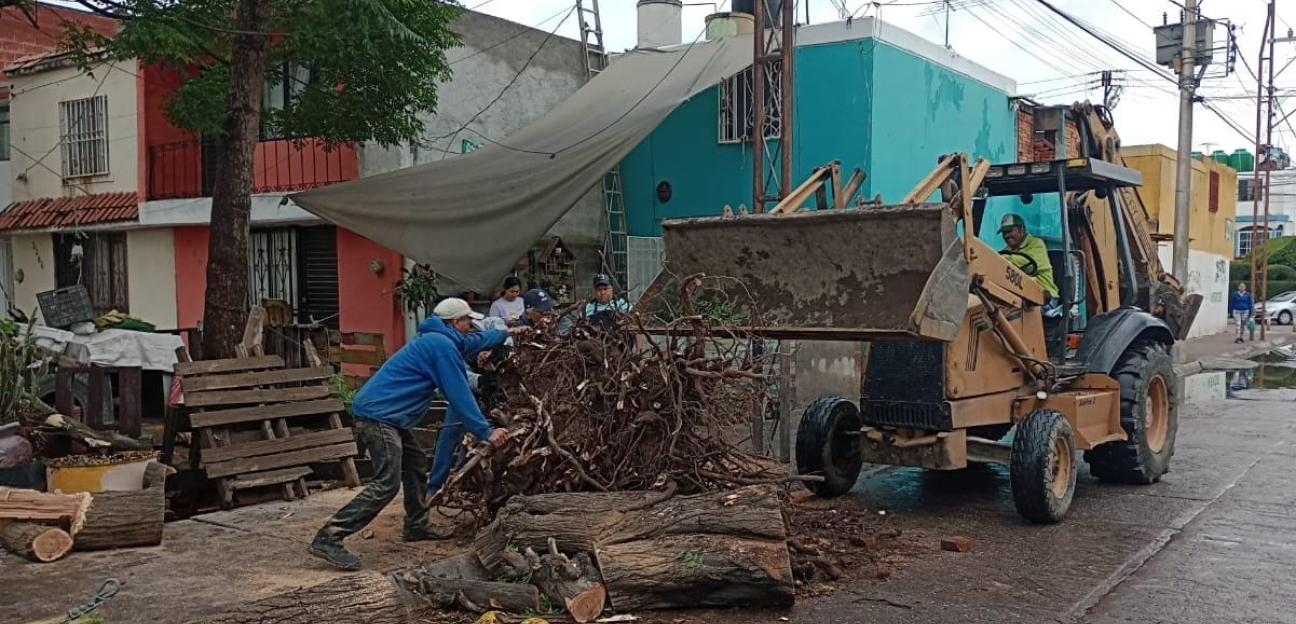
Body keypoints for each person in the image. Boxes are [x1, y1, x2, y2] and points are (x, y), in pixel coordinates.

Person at [310, 298, 519, 571]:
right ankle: (329, 537)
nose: (472, 326)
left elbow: (475, 341)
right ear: (454, 322)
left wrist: (505, 333)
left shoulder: (441, 338)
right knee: (386, 483)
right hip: (379, 416)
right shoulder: (441, 347)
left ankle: (416, 525)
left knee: (416, 464)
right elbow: (459, 395)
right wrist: (485, 431)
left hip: (390, 416)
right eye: (468, 321)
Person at [998, 214, 1059, 302]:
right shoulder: (1007, 250)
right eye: (1004, 232)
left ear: (1021, 229)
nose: (1006, 235)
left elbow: (1027, 264)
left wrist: (1000, 259)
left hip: (1044, 298)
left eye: (1009, 231)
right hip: (1021, 298)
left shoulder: (1037, 244)